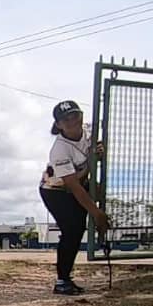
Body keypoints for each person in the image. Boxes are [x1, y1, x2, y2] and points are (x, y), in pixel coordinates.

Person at [39, 100, 109, 295]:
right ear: (58, 125)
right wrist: (96, 213)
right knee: (72, 228)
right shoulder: (59, 149)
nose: (72, 121)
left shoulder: (88, 130)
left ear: (81, 116)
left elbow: (95, 150)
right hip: (55, 190)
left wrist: (99, 150)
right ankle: (62, 280)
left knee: (78, 228)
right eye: (65, 119)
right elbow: (73, 186)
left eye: (74, 115)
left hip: (78, 180)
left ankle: (67, 276)